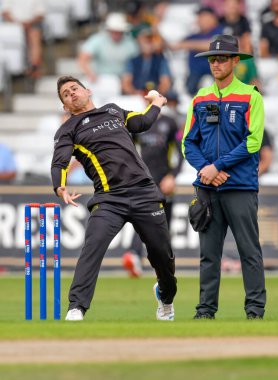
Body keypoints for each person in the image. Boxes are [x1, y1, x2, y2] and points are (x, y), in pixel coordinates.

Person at [51, 75, 177, 321]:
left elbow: (142, 123)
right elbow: (60, 162)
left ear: (88, 91)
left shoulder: (113, 110)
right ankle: (76, 307)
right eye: (66, 94)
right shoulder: (68, 129)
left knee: (162, 255)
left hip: (145, 193)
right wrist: (60, 187)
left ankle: (165, 296)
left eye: (74, 89)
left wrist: (157, 103)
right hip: (109, 199)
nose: (72, 94)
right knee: (92, 247)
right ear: (65, 106)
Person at [182, 34, 266, 320]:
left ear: (234, 61)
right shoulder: (200, 98)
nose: (215, 64)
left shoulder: (251, 96)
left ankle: (254, 310)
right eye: (212, 59)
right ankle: (205, 311)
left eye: (221, 59)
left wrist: (216, 167)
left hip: (240, 187)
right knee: (209, 255)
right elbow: (187, 143)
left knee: (249, 251)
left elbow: (254, 142)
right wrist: (207, 169)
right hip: (208, 187)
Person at [122, 91, 184, 277]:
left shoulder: (170, 123)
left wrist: (172, 176)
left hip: (164, 179)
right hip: (144, 180)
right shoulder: (138, 123)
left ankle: (162, 262)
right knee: (142, 216)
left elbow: (181, 153)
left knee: (164, 222)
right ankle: (134, 255)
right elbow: (129, 151)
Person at [167, 6, 224, 96]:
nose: (199, 20)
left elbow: (214, 45)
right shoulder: (194, 36)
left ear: (212, 18)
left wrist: (189, 45)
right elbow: (173, 46)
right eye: (199, 17)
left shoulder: (220, 31)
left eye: (202, 16)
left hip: (216, 73)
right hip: (194, 77)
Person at [77, 12, 139, 83]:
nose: (116, 33)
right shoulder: (98, 40)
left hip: (123, 81)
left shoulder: (130, 43)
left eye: (119, 31)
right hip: (100, 80)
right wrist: (90, 73)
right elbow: (82, 59)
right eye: (114, 31)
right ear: (109, 30)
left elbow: (137, 62)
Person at [121, 26, 172, 95]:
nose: (148, 44)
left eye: (150, 41)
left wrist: (155, 96)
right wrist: (137, 94)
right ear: (138, 42)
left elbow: (165, 83)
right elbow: (126, 84)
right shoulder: (132, 60)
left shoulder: (161, 60)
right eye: (145, 41)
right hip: (136, 97)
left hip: (155, 97)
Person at [1, 0, 45, 78]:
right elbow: (5, 13)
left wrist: (28, 24)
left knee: (35, 35)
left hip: (31, 25)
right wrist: (19, 25)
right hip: (13, 26)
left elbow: (40, 15)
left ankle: (34, 67)